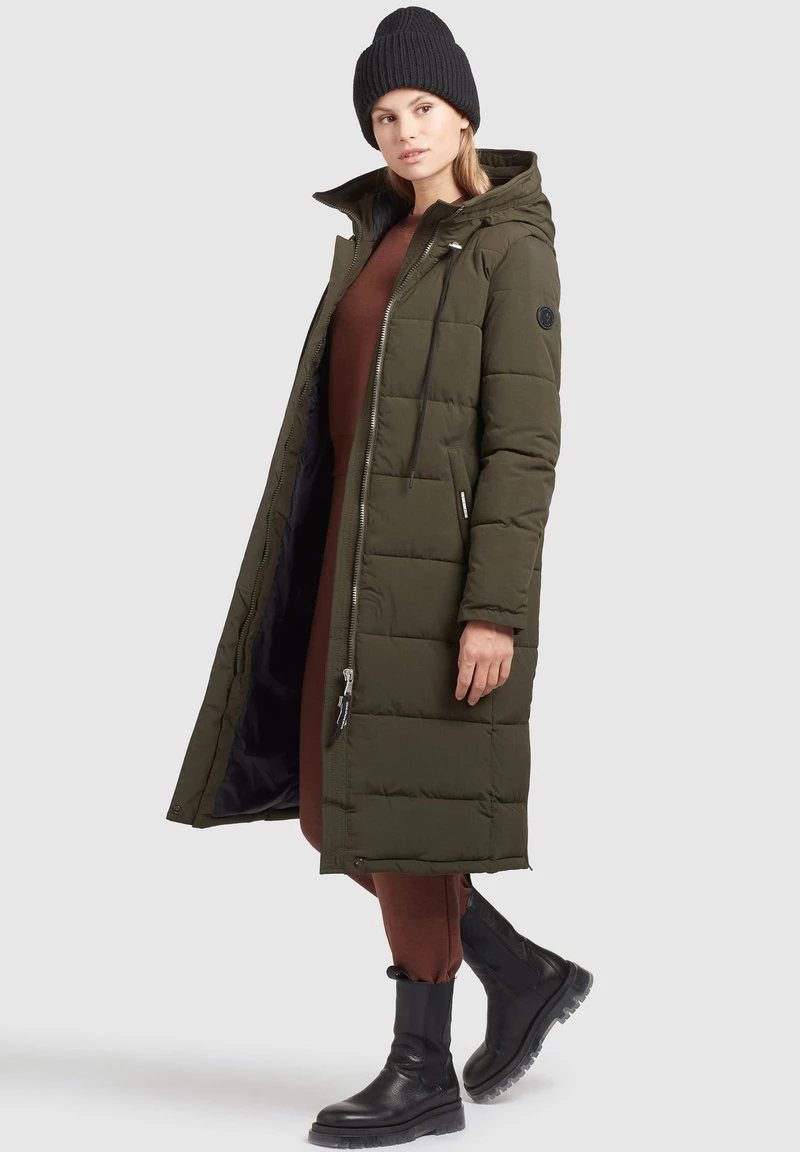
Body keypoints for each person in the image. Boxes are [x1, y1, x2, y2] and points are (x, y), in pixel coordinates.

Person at [166, 6, 592, 1148]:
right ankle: (520, 971)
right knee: (333, 810)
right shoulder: (376, 238)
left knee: (398, 822)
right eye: (384, 114)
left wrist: (493, 608)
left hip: (437, 583)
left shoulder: (509, 245)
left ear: (465, 115)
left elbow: (522, 447)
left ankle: (422, 1070)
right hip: (345, 570)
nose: (403, 130)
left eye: (422, 107)